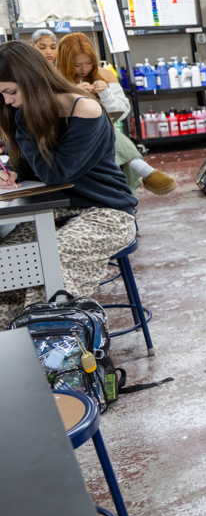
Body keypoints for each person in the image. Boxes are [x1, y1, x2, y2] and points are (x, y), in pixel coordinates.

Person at [0, 41, 138, 326]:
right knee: (8, 261)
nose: (7, 101)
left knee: (52, 259)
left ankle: (51, 348)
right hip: (58, 213)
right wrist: (10, 171)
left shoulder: (85, 109)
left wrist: (24, 122)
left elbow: (56, 173)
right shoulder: (30, 111)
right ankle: (10, 348)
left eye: (10, 92)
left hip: (108, 213)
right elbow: (29, 167)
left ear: (31, 80)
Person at [54, 33, 177, 196]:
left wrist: (106, 93)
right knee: (103, 130)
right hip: (71, 137)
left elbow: (123, 110)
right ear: (65, 62)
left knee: (105, 129)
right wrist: (71, 95)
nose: (84, 69)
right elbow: (51, 117)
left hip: (105, 132)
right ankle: (146, 171)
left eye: (89, 63)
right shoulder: (55, 79)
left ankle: (138, 182)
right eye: (77, 65)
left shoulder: (105, 74)